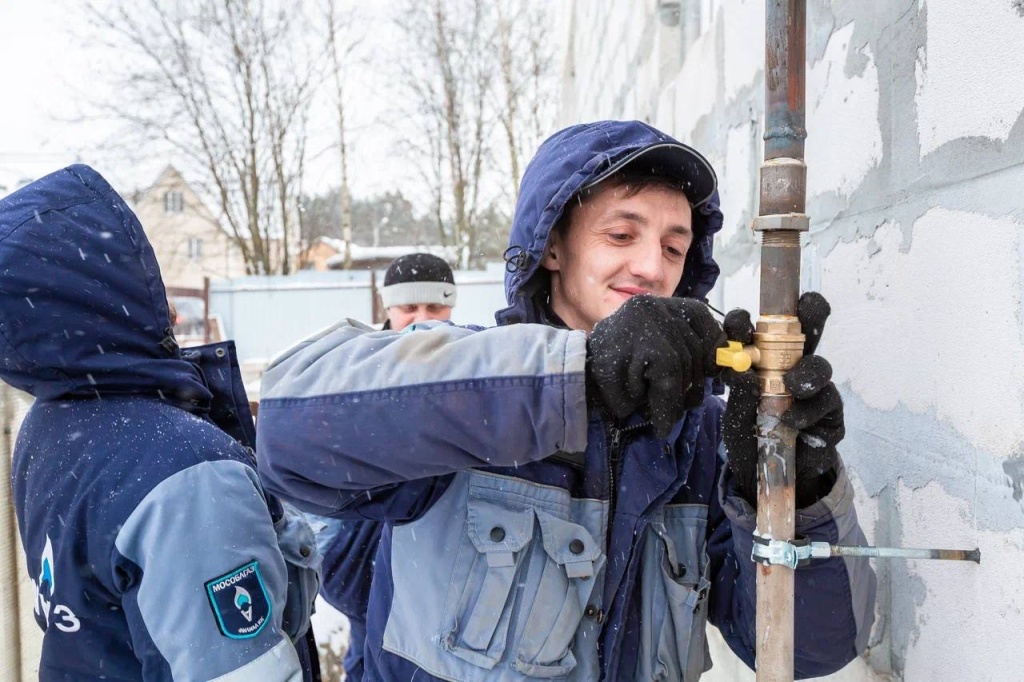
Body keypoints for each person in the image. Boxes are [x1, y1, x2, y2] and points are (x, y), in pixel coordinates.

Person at [256, 120, 876, 681]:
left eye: (672, 247)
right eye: (621, 234)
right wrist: (580, 378)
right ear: (553, 246)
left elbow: (811, 651)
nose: (650, 266)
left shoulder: (697, 439)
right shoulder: (460, 384)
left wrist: (793, 491)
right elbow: (289, 432)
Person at [0, 164, 321, 681]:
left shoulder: (50, 425)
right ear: (103, 294)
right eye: (144, 270)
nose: (166, 300)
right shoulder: (185, 473)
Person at [313, 251, 459, 680]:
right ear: (387, 307)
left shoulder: (472, 368)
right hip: (363, 558)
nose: (421, 320)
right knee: (371, 657)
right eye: (409, 308)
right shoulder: (354, 371)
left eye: (434, 307)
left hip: (437, 563)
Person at [379, 252, 457, 329]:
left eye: (435, 307)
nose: (423, 320)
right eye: (409, 308)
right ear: (388, 310)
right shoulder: (369, 341)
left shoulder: (466, 341)